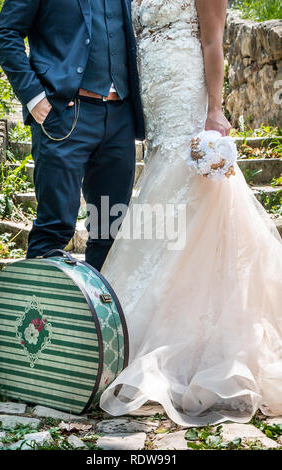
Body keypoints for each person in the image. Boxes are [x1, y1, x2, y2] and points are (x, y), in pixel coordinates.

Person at [98, 0, 282, 427]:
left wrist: (214, 110)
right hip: (157, 111)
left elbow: (213, 40)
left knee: (193, 198)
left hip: (188, 99)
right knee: (161, 200)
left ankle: (198, 340)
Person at [0, 0, 145, 271]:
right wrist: (34, 96)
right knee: (53, 229)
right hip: (66, 115)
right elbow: (6, 32)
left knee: (110, 228)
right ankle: (44, 312)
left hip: (120, 116)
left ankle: (100, 312)